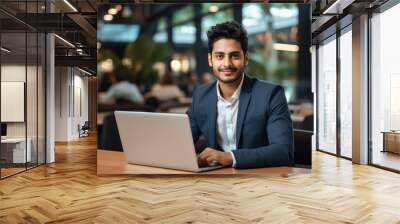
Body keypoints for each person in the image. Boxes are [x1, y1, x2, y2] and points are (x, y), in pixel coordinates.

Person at [187, 21, 294, 169]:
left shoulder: (271, 94)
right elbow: (181, 141)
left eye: (235, 56)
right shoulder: (201, 95)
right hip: (215, 180)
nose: (227, 63)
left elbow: (283, 152)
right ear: (210, 60)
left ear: (246, 58)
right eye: (219, 56)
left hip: (261, 181)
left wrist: (230, 157)